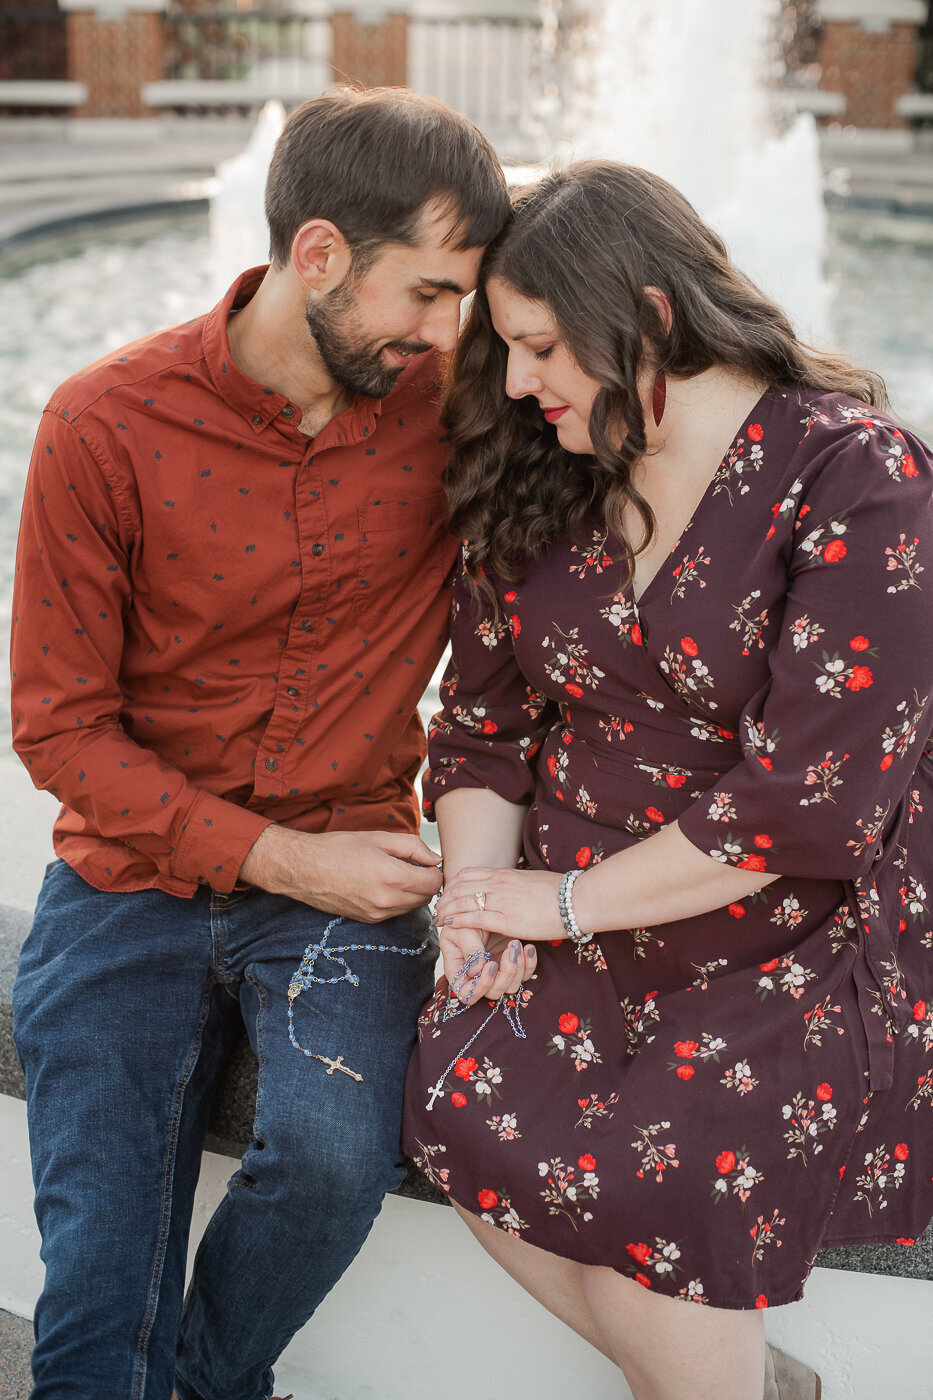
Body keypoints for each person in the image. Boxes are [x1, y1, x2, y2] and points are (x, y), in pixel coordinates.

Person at [403, 161, 933, 1400]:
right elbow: (483, 728)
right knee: (449, 1091)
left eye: (539, 345)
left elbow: (814, 803)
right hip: (572, 911)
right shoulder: (546, 463)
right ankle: (759, 1388)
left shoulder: (858, 476)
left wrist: (560, 905)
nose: (518, 380)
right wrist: (482, 904)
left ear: (642, 316)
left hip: (795, 923)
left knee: (677, 1166)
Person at [10, 87, 509, 1400]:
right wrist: (283, 858)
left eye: (463, 300)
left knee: (338, 1161)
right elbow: (56, 724)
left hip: (352, 863)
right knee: (95, 1301)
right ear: (321, 255)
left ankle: (208, 1384)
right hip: (127, 876)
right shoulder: (99, 422)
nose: (447, 331)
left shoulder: (459, 401)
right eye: (428, 292)